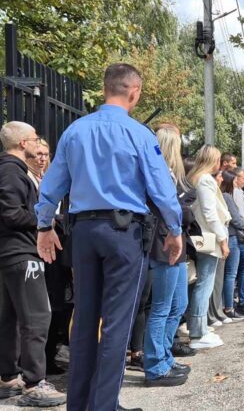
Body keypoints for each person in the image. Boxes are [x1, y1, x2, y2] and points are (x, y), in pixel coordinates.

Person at [35, 64, 183, 411]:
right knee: (117, 322)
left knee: (85, 318)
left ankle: (80, 404)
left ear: (106, 89)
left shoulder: (75, 131)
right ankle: (104, 406)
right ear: (134, 91)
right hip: (123, 233)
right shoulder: (139, 134)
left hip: (83, 232)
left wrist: (44, 226)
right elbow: (162, 191)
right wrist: (174, 230)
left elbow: (52, 184)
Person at [0, 121, 66, 407]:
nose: (40, 145)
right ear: (23, 143)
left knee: (11, 320)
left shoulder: (12, 171)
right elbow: (11, 213)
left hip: (11, 255)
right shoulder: (12, 172)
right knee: (37, 318)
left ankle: (8, 377)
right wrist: (45, 221)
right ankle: (34, 382)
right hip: (22, 254)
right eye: (35, 139)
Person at [142, 125, 193, 388]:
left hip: (174, 241)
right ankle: (154, 364)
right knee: (162, 306)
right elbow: (170, 210)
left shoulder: (170, 174)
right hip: (165, 242)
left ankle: (164, 355)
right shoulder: (160, 172)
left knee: (177, 304)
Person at [186, 145, 229, 350]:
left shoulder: (199, 178)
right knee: (205, 283)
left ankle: (199, 326)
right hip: (208, 237)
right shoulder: (205, 180)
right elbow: (210, 214)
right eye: (219, 159)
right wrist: (222, 239)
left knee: (204, 282)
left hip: (205, 235)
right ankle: (198, 331)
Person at [220, 169, 244, 321]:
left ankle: (227, 305)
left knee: (229, 274)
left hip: (228, 236)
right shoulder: (227, 196)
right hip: (232, 236)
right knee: (231, 274)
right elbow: (236, 218)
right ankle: (229, 307)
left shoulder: (222, 195)